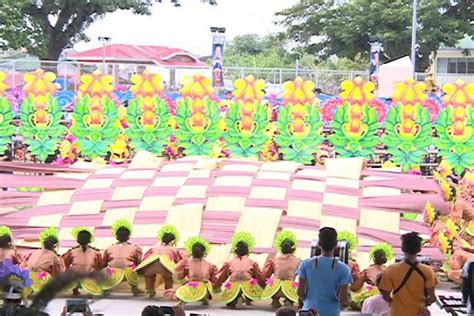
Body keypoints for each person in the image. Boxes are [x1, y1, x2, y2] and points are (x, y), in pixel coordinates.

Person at [379, 232, 438, 316]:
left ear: (402, 248)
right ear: (419, 249)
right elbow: (432, 298)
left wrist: (393, 303)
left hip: (397, 312)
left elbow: (386, 296)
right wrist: (424, 304)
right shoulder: (428, 271)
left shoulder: (391, 270)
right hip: (419, 313)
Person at [297, 227, 352, 316]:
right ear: (336, 244)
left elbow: (300, 293)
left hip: (309, 311)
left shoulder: (306, 264)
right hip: (331, 313)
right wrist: (349, 301)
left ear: (318, 244)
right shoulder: (344, 268)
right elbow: (343, 299)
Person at [217, 231, 265, 308]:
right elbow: (259, 276)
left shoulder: (229, 262)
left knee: (229, 302)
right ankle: (247, 298)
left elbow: (221, 276)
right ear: (247, 251)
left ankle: (237, 297)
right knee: (253, 281)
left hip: (233, 286)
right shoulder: (252, 262)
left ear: (235, 251)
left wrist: (217, 284)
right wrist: (264, 286)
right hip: (248, 287)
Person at [166, 236, 218, 305]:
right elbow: (214, 280)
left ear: (192, 252)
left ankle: (185, 299)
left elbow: (178, 274)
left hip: (191, 285)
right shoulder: (210, 265)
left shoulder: (186, 262)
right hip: (204, 289)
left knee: (179, 291)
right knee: (206, 286)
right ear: (204, 253)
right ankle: (204, 298)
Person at [136, 225, 182, 298]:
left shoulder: (154, 248)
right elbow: (179, 262)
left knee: (149, 275)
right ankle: (168, 291)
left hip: (150, 266)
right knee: (168, 277)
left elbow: (145, 259)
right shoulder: (173, 249)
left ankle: (150, 290)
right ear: (173, 241)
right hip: (164, 267)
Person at [102, 219, 143, 296]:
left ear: (116, 237)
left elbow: (104, 262)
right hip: (128, 274)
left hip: (112, 273)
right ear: (128, 237)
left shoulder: (110, 248)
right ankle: (134, 288)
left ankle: (106, 288)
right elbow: (138, 261)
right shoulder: (134, 248)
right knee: (135, 268)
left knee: (105, 269)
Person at [262, 230, 301, 308]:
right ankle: (289, 300)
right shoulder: (298, 261)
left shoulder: (274, 259)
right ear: (293, 249)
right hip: (290, 290)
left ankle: (275, 300)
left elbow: (265, 275)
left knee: (272, 280)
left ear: (280, 249)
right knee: (294, 284)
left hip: (274, 289)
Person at [62, 227, 102, 296]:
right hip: (88, 279)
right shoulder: (96, 253)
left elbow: (64, 266)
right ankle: (89, 289)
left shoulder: (71, 253)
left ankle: (76, 290)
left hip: (77, 280)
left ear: (77, 240)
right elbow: (98, 268)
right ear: (89, 240)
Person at [23, 227, 65, 293]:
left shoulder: (35, 252)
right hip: (40, 279)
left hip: (28, 277)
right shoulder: (54, 257)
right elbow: (60, 272)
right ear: (54, 246)